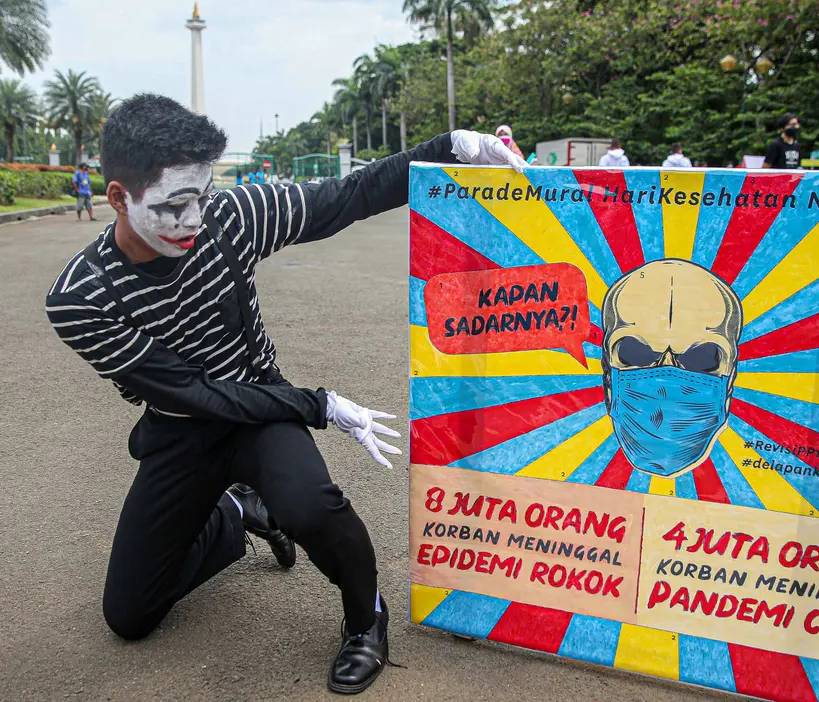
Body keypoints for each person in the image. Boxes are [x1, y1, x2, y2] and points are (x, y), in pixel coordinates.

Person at [44, 93, 526, 695]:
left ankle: (364, 617)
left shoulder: (229, 216)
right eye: (174, 203)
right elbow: (194, 394)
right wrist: (317, 405)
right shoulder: (81, 299)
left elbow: (345, 197)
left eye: (202, 194)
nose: (194, 219)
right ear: (119, 197)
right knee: (130, 616)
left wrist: (451, 147)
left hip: (257, 406)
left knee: (310, 506)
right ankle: (236, 514)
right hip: (181, 423)